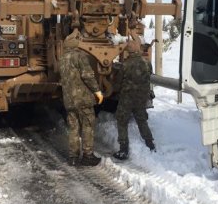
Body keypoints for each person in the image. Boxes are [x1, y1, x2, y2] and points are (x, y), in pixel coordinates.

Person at [60, 30, 104, 166]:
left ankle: (73, 157)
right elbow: (87, 76)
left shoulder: (62, 59)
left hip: (69, 100)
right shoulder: (79, 56)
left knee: (73, 127)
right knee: (87, 125)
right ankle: (87, 155)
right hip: (83, 99)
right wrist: (97, 91)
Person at [113, 38, 155, 160]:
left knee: (122, 120)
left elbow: (118, 83)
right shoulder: (147, 63)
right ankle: (150, 144)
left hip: (127, 98)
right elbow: (149, 76)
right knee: (141, 120)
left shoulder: (125, 65)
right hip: (141, 98)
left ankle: (124, 149)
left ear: (128, 51)